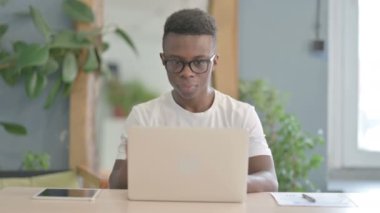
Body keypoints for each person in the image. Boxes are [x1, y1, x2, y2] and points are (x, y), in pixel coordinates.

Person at [109, 8, 278, 193]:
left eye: (199, 62)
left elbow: (269, 180)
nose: (187, 72)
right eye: (176, 62)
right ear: (163, 60)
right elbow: (115, 184)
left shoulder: (241, 115)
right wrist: (134, 157)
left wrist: (227, 182)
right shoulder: (143, 116)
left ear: (215, 62)